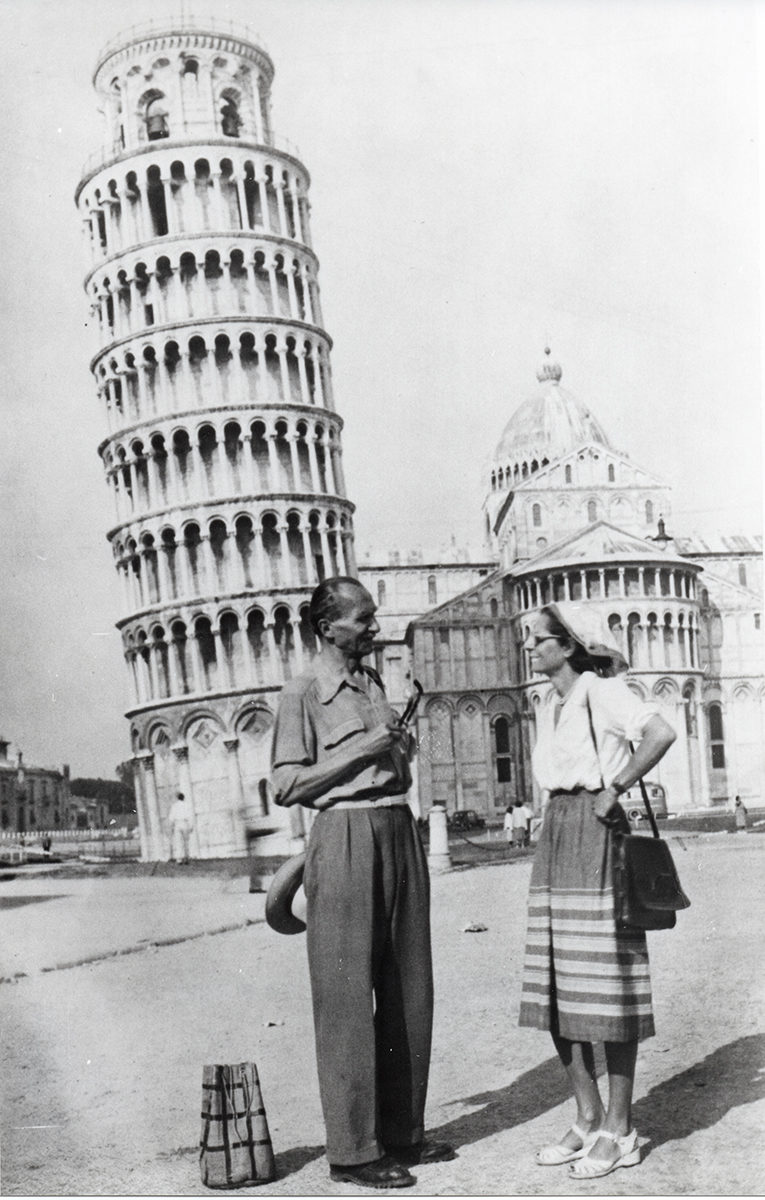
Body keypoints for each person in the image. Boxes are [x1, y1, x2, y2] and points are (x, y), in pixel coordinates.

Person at [271, 577, 454, 1189]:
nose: (375, 628)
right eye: (364, 619)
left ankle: (402, 1132)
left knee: (409, 986)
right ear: (328, 627)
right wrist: (362, 752)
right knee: (347, 997)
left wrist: (393, 749)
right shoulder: (302, 693)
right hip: (344, 835)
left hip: (397, 826)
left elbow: (390, 757)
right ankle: (354, 1151)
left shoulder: (376, 683)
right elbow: (288, 786)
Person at [518, 602, 676, 1180]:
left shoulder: (600, 692)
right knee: (559, 980)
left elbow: (660, 732)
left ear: (569, 645)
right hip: (558, 837)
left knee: (606, 982)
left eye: (539, 640)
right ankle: (585, 1116)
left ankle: (619, 1126)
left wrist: (617, 787)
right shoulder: (552, 704)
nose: (531, 648)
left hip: (598, 832)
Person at [167, 792, 193, 863]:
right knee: (186, 841)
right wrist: (191, 826)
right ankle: (187, 858)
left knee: (178, 841)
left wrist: (171, 826)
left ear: (177, 798)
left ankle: (179, 859)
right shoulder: (187, 805)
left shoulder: (174, 806)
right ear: (183, 798)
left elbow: (171, 818)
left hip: (177, 824)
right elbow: (190, 816)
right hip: (185, 823)